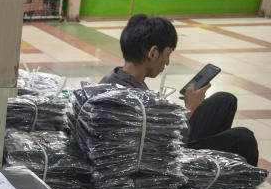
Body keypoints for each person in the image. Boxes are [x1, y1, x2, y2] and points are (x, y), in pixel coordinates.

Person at [100, 14, 258, 165]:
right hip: (168, 160)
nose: (167, 62)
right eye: (168, 54)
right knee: (243, 138)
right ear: (153, 53)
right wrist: (190, 108)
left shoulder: (113, 78)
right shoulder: (137, 101)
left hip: (158, 143)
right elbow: (171, 142)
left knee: (225, 100)